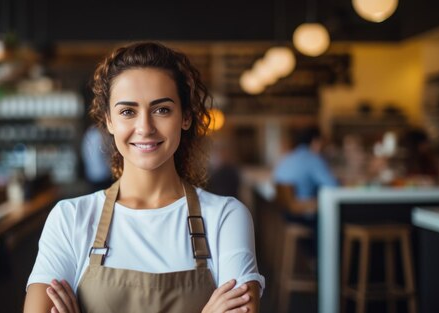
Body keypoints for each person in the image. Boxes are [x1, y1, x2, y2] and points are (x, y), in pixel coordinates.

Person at [24, 42, 264, 313]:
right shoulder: (70, 219)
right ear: (109, 121)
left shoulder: (225, 217)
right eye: (128, 112)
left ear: (185, 117)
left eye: (162, 110)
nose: (145, 127)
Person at [272, 126, 338, 257]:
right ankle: (323, 262)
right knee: (332, 219)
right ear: (315, 141)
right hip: (303, 215)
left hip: (286, 214)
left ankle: (314, 261)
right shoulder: (313, 159)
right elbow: (333, 186)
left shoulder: (287, 157)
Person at [81, 125, 113, 191]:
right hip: (104, 174)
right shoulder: (101, 135)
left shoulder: (89, 133)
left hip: (91, 173)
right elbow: (107, 153)